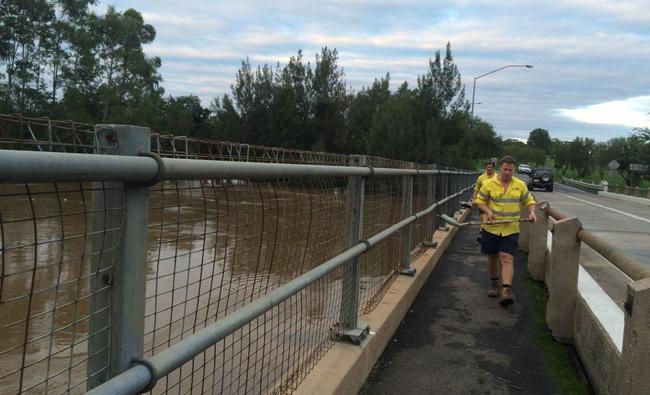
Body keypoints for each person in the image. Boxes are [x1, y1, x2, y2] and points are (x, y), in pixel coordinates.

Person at [475, 155, 536, 306]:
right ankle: (494, 284)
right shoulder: (488, 184)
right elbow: (480, 202)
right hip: (491, 228)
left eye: (510, 170)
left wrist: (532, 212)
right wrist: (488, 211)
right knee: (493, 257)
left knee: (507, 257)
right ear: (500, 168)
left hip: (511, 228)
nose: (508, 172)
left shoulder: (520, 185)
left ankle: (506, 290)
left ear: (514, 169)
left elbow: (529, 201)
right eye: (505, 169)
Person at [471, 160, 497, 243]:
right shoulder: (481, 177)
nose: (489, 169)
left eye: (491, 167)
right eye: (488, 167)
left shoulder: (497, 177)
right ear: (485, 168)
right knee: (483, 218)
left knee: (491, 217)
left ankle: (487, 235)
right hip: (483, 201)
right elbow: (476, 189)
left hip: (493, 202)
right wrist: (474, 199)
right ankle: (482, 234)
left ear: (493, 168)